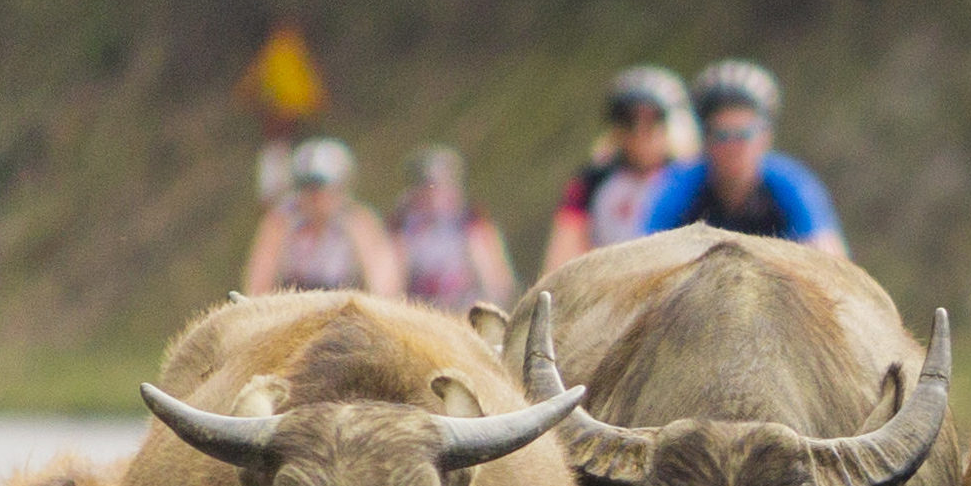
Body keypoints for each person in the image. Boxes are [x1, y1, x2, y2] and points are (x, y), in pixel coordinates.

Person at [637, 59, 848, 257]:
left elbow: (830, 258)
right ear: (705, 139)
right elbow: (647, 255)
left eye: (744, 135)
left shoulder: (790, 182)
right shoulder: (680, 184)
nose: (733, 148)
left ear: (765, 136)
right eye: (722, 135)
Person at [548, 65, 689, 270]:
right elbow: (563, 251)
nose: (639, 132)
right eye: (628, 120)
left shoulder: (691, 181)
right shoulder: (593, 181)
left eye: (652, 120)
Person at [241, 136, 401, 296]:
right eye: (308, 188)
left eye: (322, 188)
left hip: (342, 301)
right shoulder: (281, 221)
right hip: (294, 301)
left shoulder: (359, 222)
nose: (315, 197)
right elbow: (259, 279)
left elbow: (383, 284)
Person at [392, 145, 519, 311]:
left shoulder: (472, 223)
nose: (437, 196)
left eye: (445, 187)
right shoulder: (403, 228)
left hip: (467, 311)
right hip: (419, 312)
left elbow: (498, 283)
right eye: (429, 189)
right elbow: (388, 282)